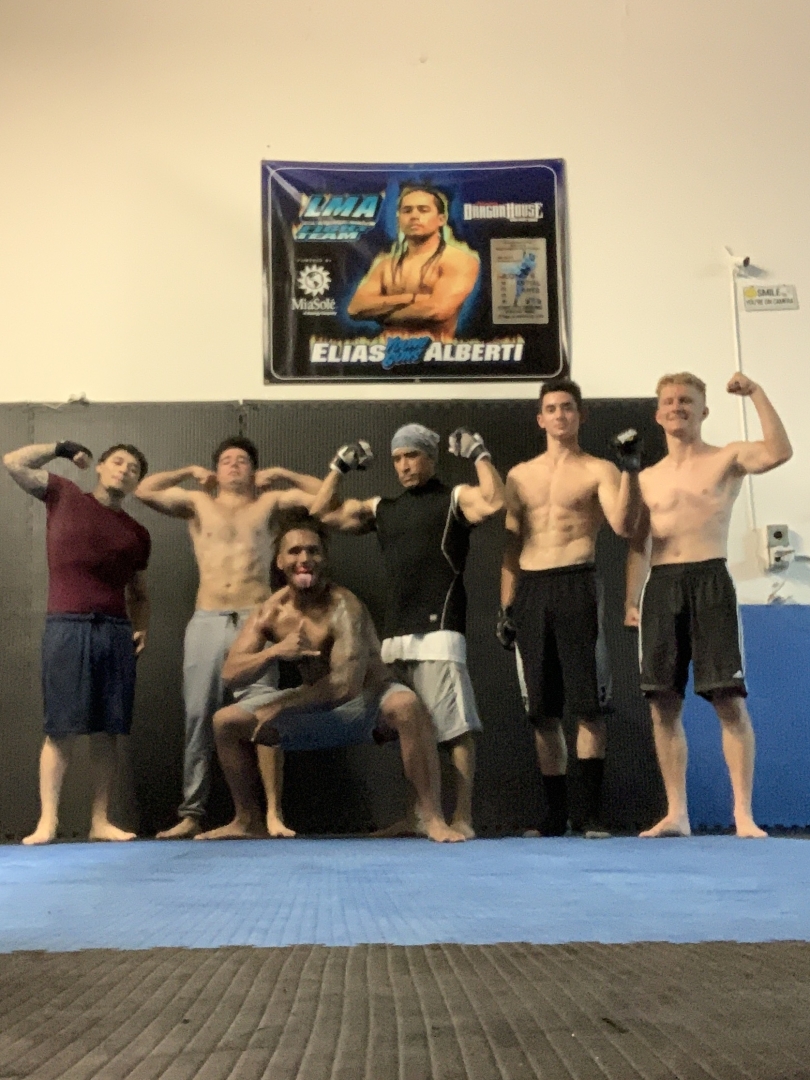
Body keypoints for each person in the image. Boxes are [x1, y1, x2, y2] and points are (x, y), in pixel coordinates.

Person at [197, 511, 465, 843]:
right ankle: (247, 820)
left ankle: (430, 818)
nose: (304, 559)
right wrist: (273, 652)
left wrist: (282, 705)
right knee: (225, 721)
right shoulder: (271, 611)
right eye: (294, 551)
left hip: (364, 705)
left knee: (406, 704)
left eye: (313, 551)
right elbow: (230, 674)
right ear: (279, 561)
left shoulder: (344, 606)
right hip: (314, 707)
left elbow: (344, 684)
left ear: (325, 559)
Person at [310, 423, 505, 838]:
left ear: (430, 457)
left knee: (454, 731)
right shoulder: (384, 508)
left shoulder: (454, 498)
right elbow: (323, 513)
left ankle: (462, 816)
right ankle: (416, 815)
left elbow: (494, 501)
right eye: (397, 458)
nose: (404, 465)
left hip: (439, 633)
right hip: (396, 637)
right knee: (408, 729)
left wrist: (479, 454)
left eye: (412, 455)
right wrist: (339, 467)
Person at [625, 372, 792, 838]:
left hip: (710, 579)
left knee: (728, 700)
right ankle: (676, 813)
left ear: (704, 410)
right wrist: (631, 599)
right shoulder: (647, 477)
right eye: (669, 401)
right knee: (662, 703)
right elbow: (636, 542)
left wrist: (756, 392)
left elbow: (779, 451)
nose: (677, 407)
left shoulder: (726, 458)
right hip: (662, 584)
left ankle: (743, 814)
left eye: (686, 400)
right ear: (658, 414)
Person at [134, 437, 321, 838]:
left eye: (242, 460)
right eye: (226, 460)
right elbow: (144, 490)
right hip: (208, 617)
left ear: (254, 470)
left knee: (265, 711)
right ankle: (192, 813)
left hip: (256, 618)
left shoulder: (269, 503)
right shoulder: (197, 503)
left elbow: (325, 496)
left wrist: (283, 473)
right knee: (198, 715)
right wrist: (188, 471)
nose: (234, 465)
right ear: (215, 471)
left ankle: (272, 813)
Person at [498, 378, 642, 837]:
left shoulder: (600, 469)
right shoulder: (519, 475)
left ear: (580, 416)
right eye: (551, 408)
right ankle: (556, 814)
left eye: (567, 407)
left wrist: (631, 470)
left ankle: (589, 813)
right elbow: (510, 545)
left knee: (588, 706)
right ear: (540, 419)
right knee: (541, 710)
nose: (559, 415)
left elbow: (624, 526)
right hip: (531, 588)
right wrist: (506, 606)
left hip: (577, 582)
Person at [3, 439, 151, 845]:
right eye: (118, 462)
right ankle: (47, 822)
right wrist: (63, 448)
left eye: (134, 468)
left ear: (137, 482)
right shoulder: (64, 494)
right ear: (99, 467)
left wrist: (141, 626)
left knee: (108, 731)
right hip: (67, 626)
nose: (124, 470)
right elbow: (13, 461)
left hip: (115, 631)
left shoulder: (137, 534)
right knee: (60, 728)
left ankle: (100, 821)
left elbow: (139, 593)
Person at [347, 184, 479, 341]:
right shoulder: (385, 265)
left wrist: (382, 315)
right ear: (399, 219)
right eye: (407, 210)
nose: (414, 216)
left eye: (423, 210)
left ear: (441, 219)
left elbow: (436, 311)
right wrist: (412, 298)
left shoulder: (458, 259)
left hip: (436, 350)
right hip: (387, 350)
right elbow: (355, 308)